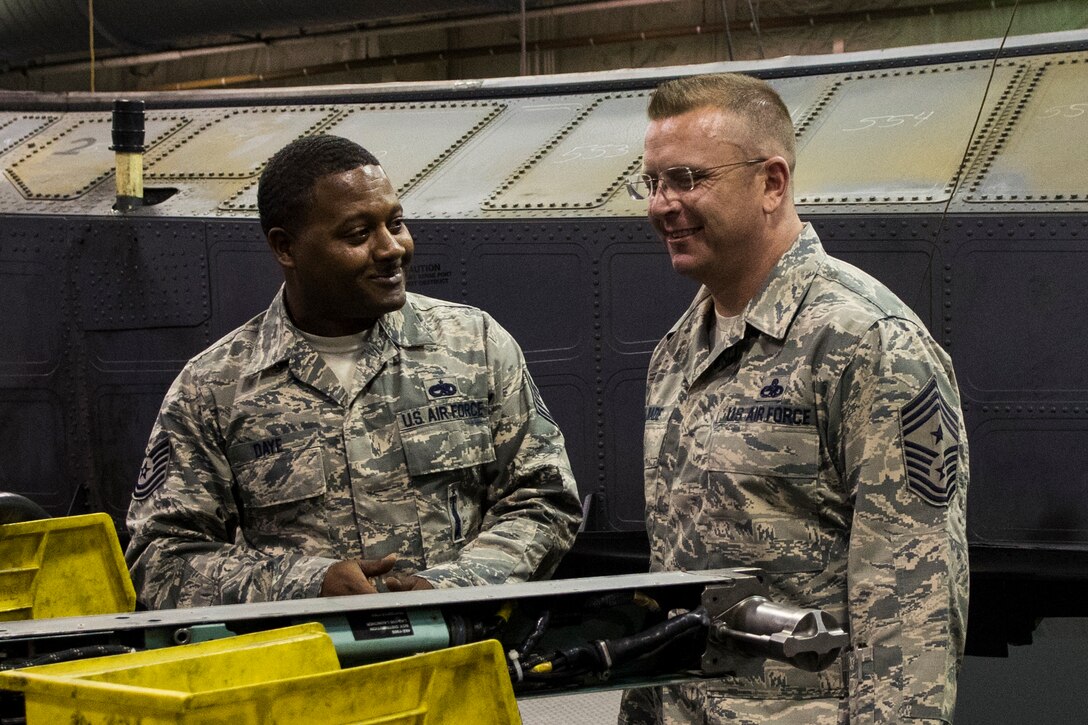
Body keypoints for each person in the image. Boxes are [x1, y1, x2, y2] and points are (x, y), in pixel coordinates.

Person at [618, 74, 969, 723]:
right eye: (653, 182)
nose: (663, 204)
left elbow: (911, 608)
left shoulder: (869, 345)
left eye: (689, 178)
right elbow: (675, 582)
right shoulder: (677, 351)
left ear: (771, 183)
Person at [126, 134, 582, 609]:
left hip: (463, 657)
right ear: (286, 248)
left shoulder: (475, 345)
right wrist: (308, 585)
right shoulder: (214, 388)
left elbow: (544, 501)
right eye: (358, 234)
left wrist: (450, 587)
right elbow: (161, 557)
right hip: (305, 669)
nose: (392, 249)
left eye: (396, 223)